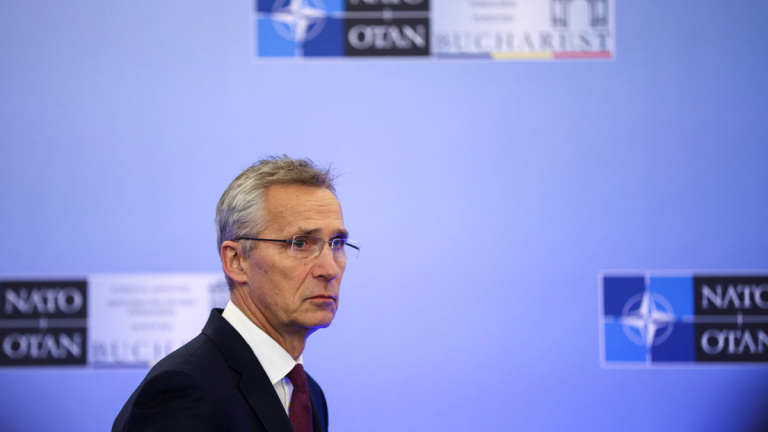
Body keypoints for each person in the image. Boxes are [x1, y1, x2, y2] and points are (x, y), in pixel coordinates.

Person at [113, 156, 359, 432]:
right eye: (300, 243)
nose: (329, 269)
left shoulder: (309, 394)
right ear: (236, 261)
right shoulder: (183, 390)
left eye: (337, 243)